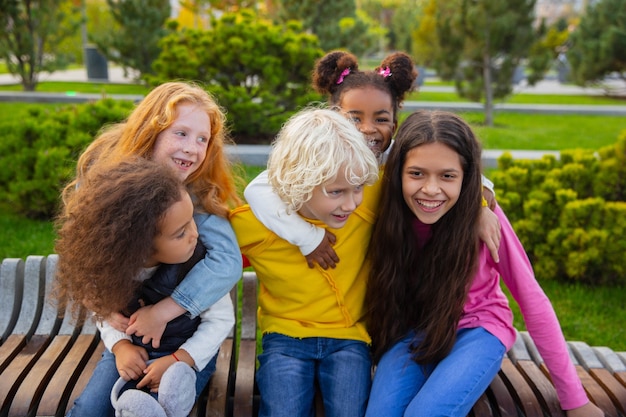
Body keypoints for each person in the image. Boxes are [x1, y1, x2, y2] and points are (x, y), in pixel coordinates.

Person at [364, 110, 604, 417]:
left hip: (478, 330)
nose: (431, 189)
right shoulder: (384, 213)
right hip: (414, 330)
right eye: (417, 174)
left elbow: (532, 300)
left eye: (447, 176)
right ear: (397, 172)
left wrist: (575, 401)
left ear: (467, 178)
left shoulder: (485, 222)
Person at [244, 50, 501, 270]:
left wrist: (479, 196)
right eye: (355, 118)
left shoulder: (392, 159)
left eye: (380, 119)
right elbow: (256, 190)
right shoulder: (320, 159)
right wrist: (307, 238)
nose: (367, 129)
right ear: (333, 118)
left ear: (395, 123)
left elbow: (442, 169)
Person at [62, 81, 243, 348]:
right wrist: (101, 304)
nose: (192, 148)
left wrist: (163, 312)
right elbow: (83, 246)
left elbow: (227, 260)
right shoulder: (110, 181)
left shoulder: (195, 192)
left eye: (202, 139)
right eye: (181, 133)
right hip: (122, 333)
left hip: (178, 333)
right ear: (151, 131)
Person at [55, 158, 235, 417]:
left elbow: (221, 319)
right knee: (90, 409)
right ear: (141, 244)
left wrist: (180, 359)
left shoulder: (198, 264)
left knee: (162, 407)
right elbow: (107, 317)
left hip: (186, 356)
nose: (195, 235)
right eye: (180, 232)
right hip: (129, 352)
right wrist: (120, 347)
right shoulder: (112, 270)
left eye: (191, 222)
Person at [229, 107, 380, 417]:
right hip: (285, 337)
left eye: (357, 190)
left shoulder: (364, 204)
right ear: (299, 182)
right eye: (336, 192)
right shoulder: (257, 224)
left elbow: (432, 174)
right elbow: (204, 244)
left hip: (348, 337)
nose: (350, 203)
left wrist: (483, 196)